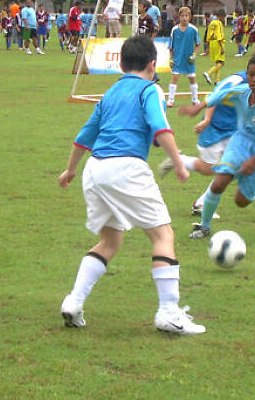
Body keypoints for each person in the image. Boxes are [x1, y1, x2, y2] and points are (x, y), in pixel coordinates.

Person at [57, 35, 205, 335]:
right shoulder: (150, 90)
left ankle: (74, 301)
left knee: (110, 241)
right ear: (153, 65)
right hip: (126, 168)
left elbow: (85, 135)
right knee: (163, 235)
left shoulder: (110, 93)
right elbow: (161, 128)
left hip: (95, 170)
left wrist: (70, 169)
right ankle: (169, 313)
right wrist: (178, 163)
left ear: (121, 64)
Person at [161, 46, 255, 219]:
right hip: (214, 129)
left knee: (235, 169)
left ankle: (201, 202)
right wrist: (206, 119)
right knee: (210, 169)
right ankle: (180, 161)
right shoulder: (238, 80)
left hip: (235, 132)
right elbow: (215, 94)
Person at [189, 54, 255, 239]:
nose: (254, 79)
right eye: (251, 75)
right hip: (240, 142)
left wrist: (254, 160)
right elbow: (221, 94)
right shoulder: (242, 91)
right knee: (220, 182)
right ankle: (204, 226)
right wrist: (201, 106)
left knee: (240, 202)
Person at [167, 6, 201, 108]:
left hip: (188, 60)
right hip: (178, 59)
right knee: (175, 78)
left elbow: (198, 44)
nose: (184, 18)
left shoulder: (193, 29)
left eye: (186, 16)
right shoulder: (174, 30)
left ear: (190, 17)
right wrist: (171, 58)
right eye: (182, 16)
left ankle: (195, 99)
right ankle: (171, 100)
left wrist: (194, 55)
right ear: (179, 17)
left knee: (192, 79)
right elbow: (171, 46)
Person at [203, 10, 226, 85]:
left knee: (217, 62)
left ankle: (217, 80)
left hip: (212, 43)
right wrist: (222, 47)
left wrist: (207, 46)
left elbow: (208, 34)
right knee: (222, 63)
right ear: (222, 16)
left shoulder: (212, 22)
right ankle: (208, 73)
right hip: (218, 43)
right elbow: (218, 35)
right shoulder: (218, 23)